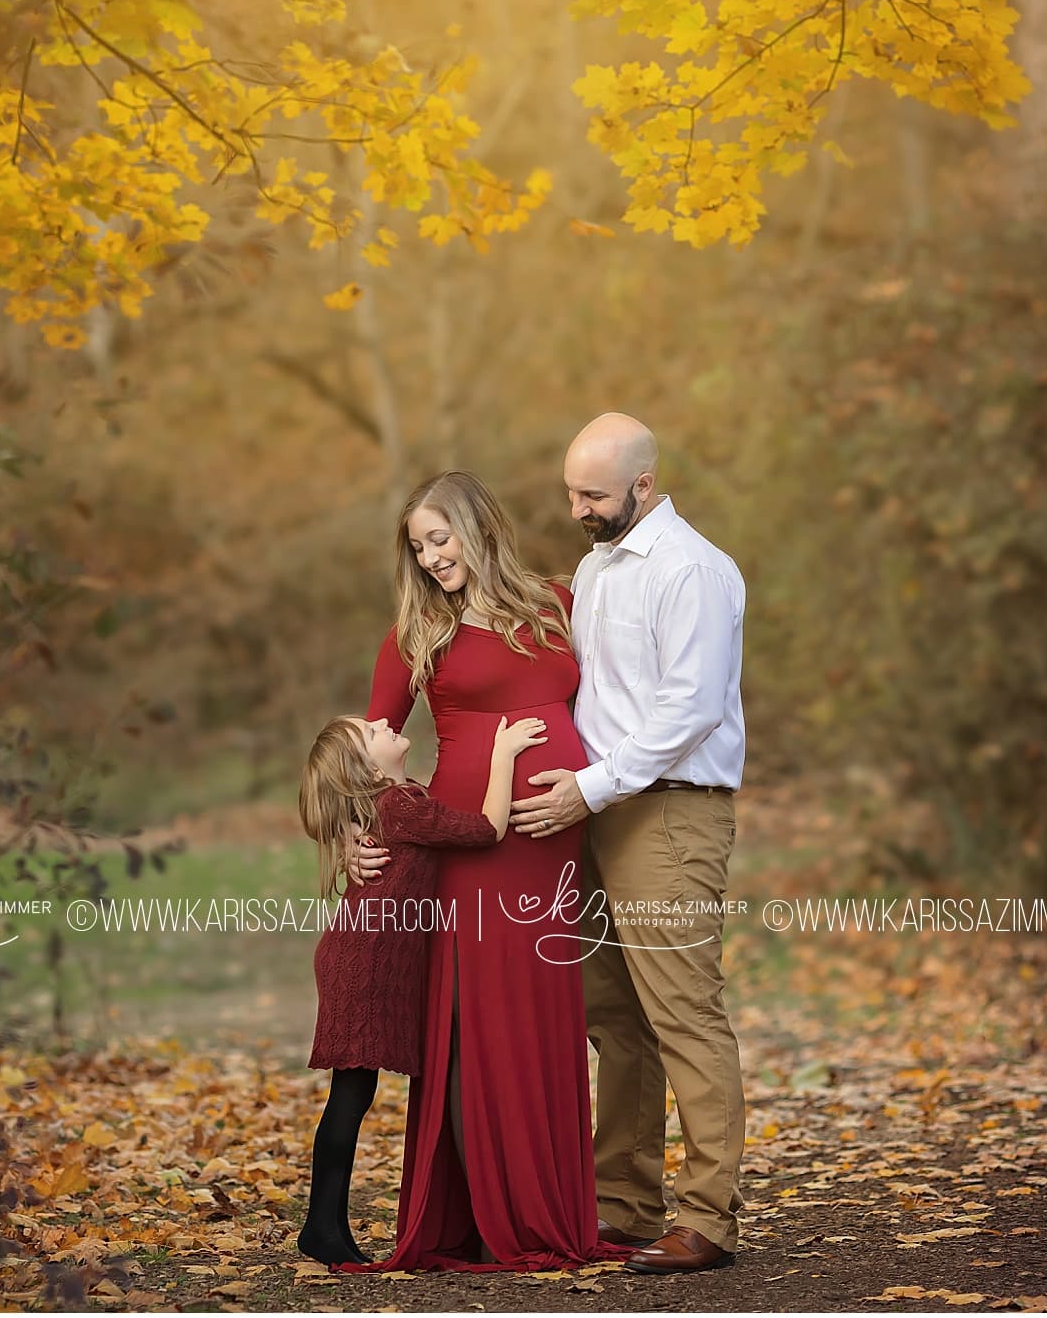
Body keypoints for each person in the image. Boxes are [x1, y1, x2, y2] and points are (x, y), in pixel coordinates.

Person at [338, 470, 640, 1273]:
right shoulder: (416, 632)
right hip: (472, 849)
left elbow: (622, 695)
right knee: (480, 1019)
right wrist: (347, 835)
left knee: (546, 1011)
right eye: (418, 546)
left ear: (478, 526)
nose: (432, 557)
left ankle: (546, 1203)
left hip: (555, 841)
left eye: (440, 537)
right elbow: (365, 747)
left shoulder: (559, 602)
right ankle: (485, 1211)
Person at [510, 412, 749, 1275]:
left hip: (671, 810)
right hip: (599, 808)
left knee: (684, 1011)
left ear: (644, 485)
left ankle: (709, 1217)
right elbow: (589, 696)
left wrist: (591, 785)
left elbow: (688, 711)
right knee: (612, 1014)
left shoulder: (692, 570)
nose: (579, 508)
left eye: (595, 495)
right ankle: (624, 1203)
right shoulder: (595, 564)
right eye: (571, 492)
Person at [295, 710, 546, 1266]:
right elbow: (487, 829)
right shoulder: (399, 805)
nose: (384, 721)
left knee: (352, 1094)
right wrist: (502, 756)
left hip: (361, 956)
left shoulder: (399, 801)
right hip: (364, 964)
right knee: (350, 1095)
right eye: (370, 732)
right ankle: (322, 1229)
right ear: (365, 769)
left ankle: (325, 1226)